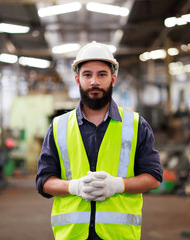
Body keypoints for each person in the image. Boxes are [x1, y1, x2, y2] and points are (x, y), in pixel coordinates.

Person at [36, 41, 163, 240]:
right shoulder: (59, 127)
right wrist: (74, 187)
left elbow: (153, 177)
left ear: (113, 79)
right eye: (88, 75)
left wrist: (118, 185)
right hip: (72, 235)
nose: (94, 81)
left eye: (101, 74)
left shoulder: (136, 125)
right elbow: (44, 181)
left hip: (119, 236)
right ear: (77, 79)